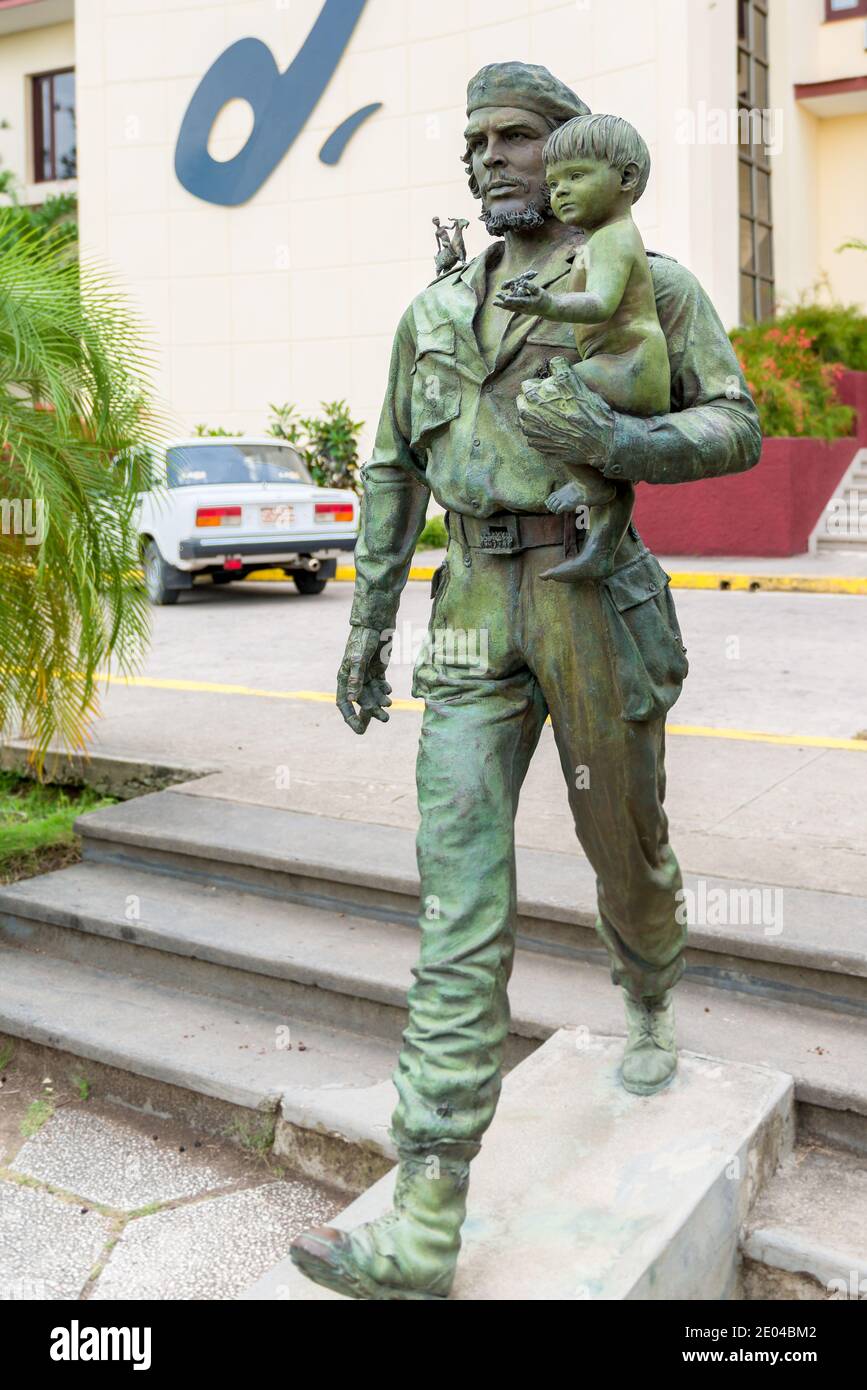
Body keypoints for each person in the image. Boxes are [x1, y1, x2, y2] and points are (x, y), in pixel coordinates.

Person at [290, 61, 762, 1302]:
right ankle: (428, 1210)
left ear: (570, 151)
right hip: (473, 616)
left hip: (595, 600)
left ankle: (649, 992)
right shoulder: (433, 313)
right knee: (458, 898)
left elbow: (737, 423)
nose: (487, 158)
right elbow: (392, 469)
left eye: (513, 137)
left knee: (626, 849)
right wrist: (366, 623)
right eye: (475, 141)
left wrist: (625, 444)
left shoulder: (645, 280)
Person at [494, 112, 669, 581]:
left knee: (544, 399)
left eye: (576, 176)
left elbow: (599, 303)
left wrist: (545, 302)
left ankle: (592, 487)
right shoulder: (598, 241)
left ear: (626, 178)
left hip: (632, 363)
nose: (560, 191)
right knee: (552, 401)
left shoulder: (613, 239)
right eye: (553, 183)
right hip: (621, 362)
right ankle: (601, 533)